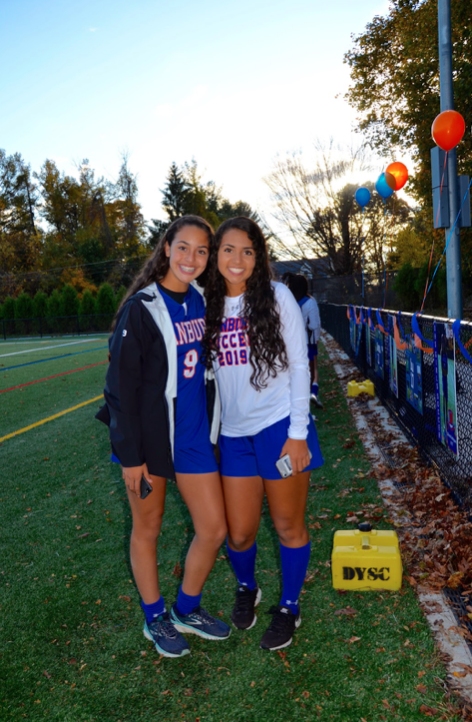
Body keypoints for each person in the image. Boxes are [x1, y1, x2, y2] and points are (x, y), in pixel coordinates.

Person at [96, 215, 230, 659]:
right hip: (150, 444)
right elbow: (119, 389)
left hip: (192, 437)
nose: (192, 258)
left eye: (202, 250)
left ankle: (185, 609)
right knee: (147, 527)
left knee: (213, 529)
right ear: (167, 247)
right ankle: (154, 615)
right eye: (184, 247)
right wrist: (130, 457)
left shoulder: (201, 301)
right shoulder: (143, 307)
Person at [202, 217, 323, 651]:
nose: (238, 259)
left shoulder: (277, 296)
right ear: (215, 255)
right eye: (229, 250)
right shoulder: (207, 303)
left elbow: (296, 367)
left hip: (278, 429)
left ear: (259, 257)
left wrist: (297, 434)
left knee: (288, 525)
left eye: (248, 251)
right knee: (238, 533)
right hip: (234, 436)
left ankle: (289, 605)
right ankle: (246, 586)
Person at [283, 273, 322, 408]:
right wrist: (316, 337)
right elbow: (314, 325)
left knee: (294, 372)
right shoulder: (310, 302)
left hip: (290, 343)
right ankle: (313, 394)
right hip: (307, 341)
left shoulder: (287, 301)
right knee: (312, 369)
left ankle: (296, 401)